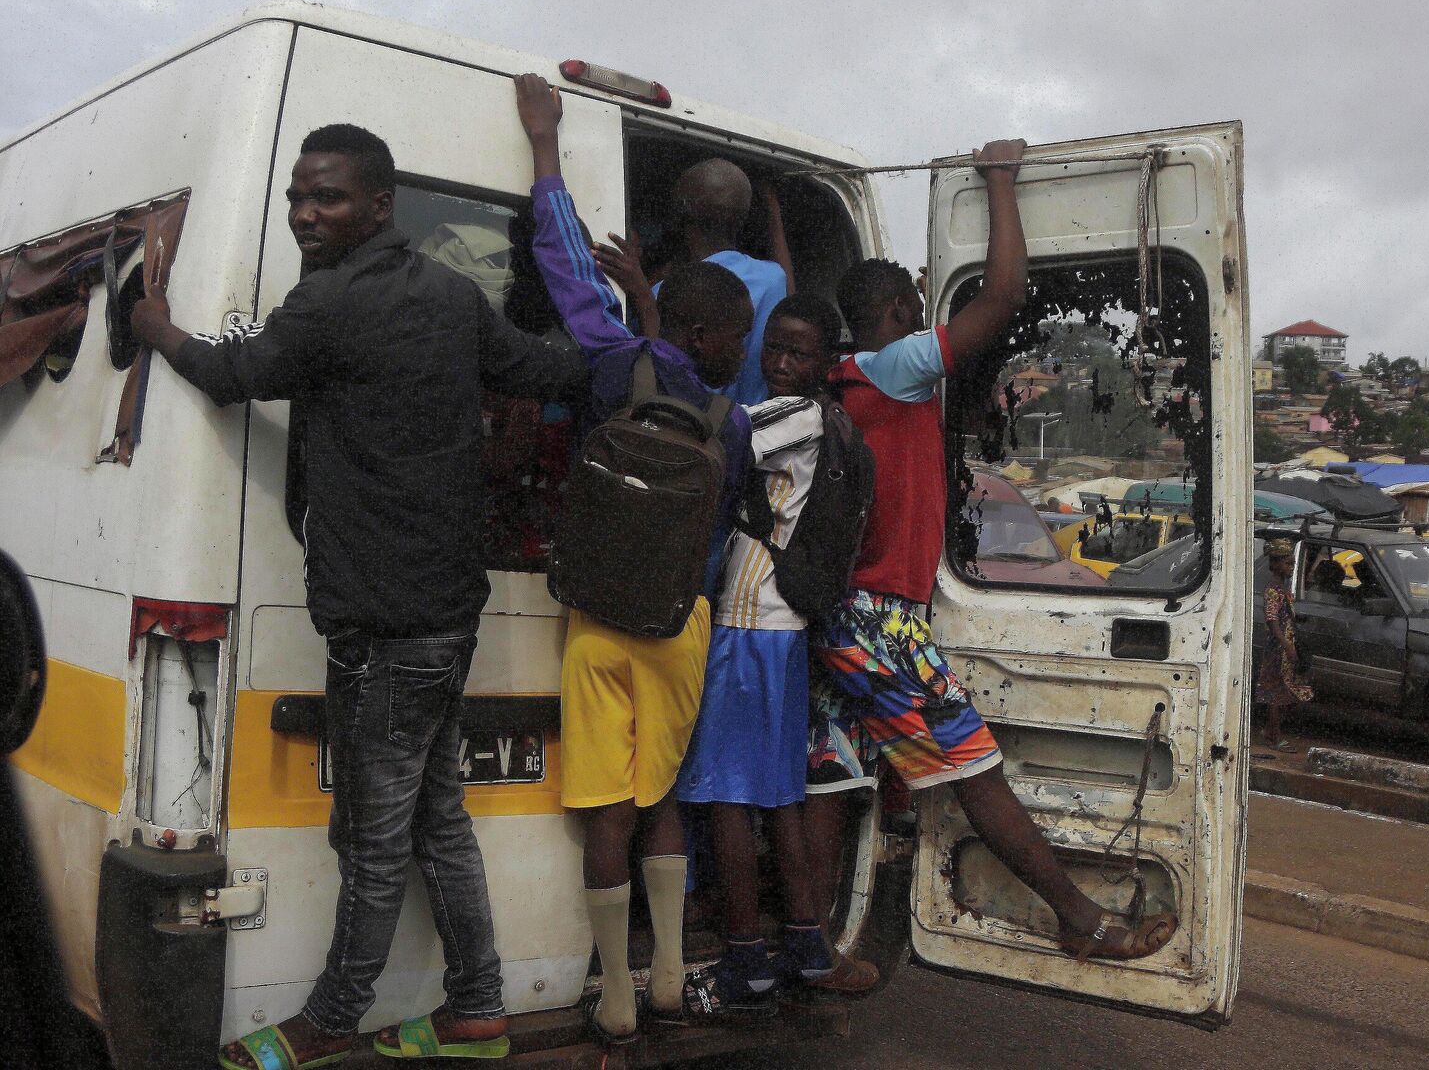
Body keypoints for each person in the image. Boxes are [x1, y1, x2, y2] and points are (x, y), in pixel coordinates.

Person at [129, 123, 590, 1069]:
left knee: (375, 840)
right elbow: (551, 371)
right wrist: (625, 335)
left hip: (382, 625)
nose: (305, 214)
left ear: (380, 206)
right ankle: (476, 1012)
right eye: (299, 196)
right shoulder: (456, 298)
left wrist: (153, 325)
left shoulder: (327, 303)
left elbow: (229, 376)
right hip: (446, 611)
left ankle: (332, 1018)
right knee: (437, 822)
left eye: (326, 197)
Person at [806, 138, 1176, 961]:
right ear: (904, 314)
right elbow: (1005, 295)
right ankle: (1081, 922)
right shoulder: (898, 366)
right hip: (883, 622)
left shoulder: (838, 377)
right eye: (920, 300)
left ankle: (809, 947)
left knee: (829, 778)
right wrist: (1001, 181)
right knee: (974, 767)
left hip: (838, 613)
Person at [515, 75, 753, 1045]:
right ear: (706, 334)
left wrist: (545, 143)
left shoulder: (617, 363)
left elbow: (565, 268)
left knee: (605, 812)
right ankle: (665, 975)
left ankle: (611, 990)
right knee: (661, 801)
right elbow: (723, 525)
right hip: (678, 628)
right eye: (737, 339)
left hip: (595, 623)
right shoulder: (732, 419)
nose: (745, 352)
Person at [672, 292, 880, 1012]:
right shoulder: (825, 422)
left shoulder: (789, 416)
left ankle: (746, 963)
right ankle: (808, 947)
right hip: (781, 628)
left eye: (800, 353)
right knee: (777, 798)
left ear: (827, 364)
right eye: (776, 348)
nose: (784, 362)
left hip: (747, 624)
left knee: (729, 798)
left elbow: (714, 435)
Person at [668, 157, 790, 406]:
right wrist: (772, 207)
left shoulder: (667, 294)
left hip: (693, 433)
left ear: (682, 212)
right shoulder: (774, 279)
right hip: (756, 430)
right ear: (743, 218)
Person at [1257, 546, 1312, 751]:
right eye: (1288, 563)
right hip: (1277, 649)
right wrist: (1287, 645)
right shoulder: (1273, 590)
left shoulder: (1283, 589)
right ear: (1275, 565)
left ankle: (1270, 732)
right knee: (1276, 694)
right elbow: (1272, 621)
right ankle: (1274, 737)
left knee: (1282, 692)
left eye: (1292, 564)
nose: (1291, 567)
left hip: (1283, 646)